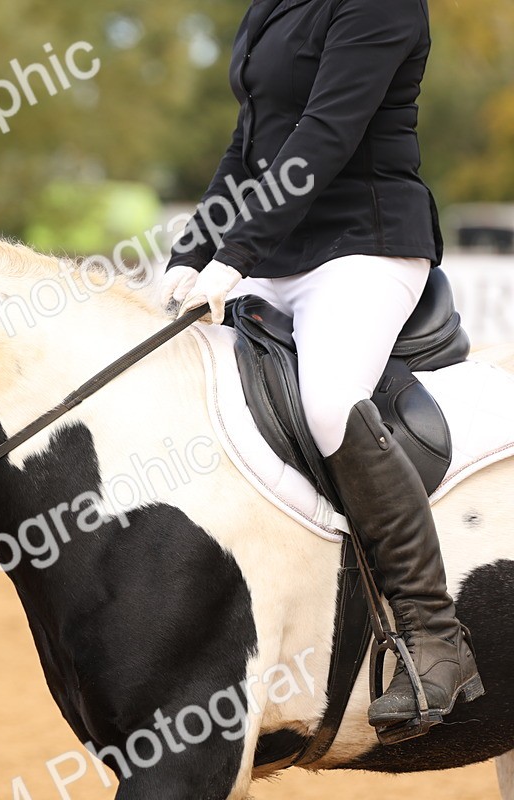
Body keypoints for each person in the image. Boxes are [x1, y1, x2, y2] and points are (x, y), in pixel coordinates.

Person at [160, 0, 482, 738]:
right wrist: (189, 254)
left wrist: (235, 255)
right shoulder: (272, 7)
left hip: (364, 247)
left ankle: (434, 633)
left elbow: (326, 134)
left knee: (330, 401)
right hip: (277, 254)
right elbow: (247, 149)